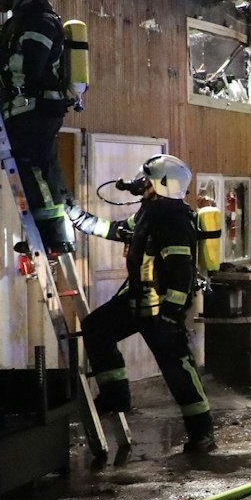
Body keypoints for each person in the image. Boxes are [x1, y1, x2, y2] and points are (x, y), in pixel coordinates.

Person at [67, 153, 215, 454]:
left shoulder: (174, 218)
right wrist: (79, 218)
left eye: (145, 179)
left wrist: (172, 315)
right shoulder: (150, 212)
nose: (140, 183)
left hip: (162, 310)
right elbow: (119, 230)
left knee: (178, 370)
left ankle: (202, 434)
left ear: (162, 184)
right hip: (136, 299)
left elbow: (182, 272)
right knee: (96, 328)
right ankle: (116, 395)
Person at [0, 0, 76, 254]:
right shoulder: (21, 21)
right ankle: (45, 233)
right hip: (26, 110)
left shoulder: (41, 21)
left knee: (35, 171)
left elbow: (30, 67)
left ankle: (53, 236)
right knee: (34, 172)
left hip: (36, 109)